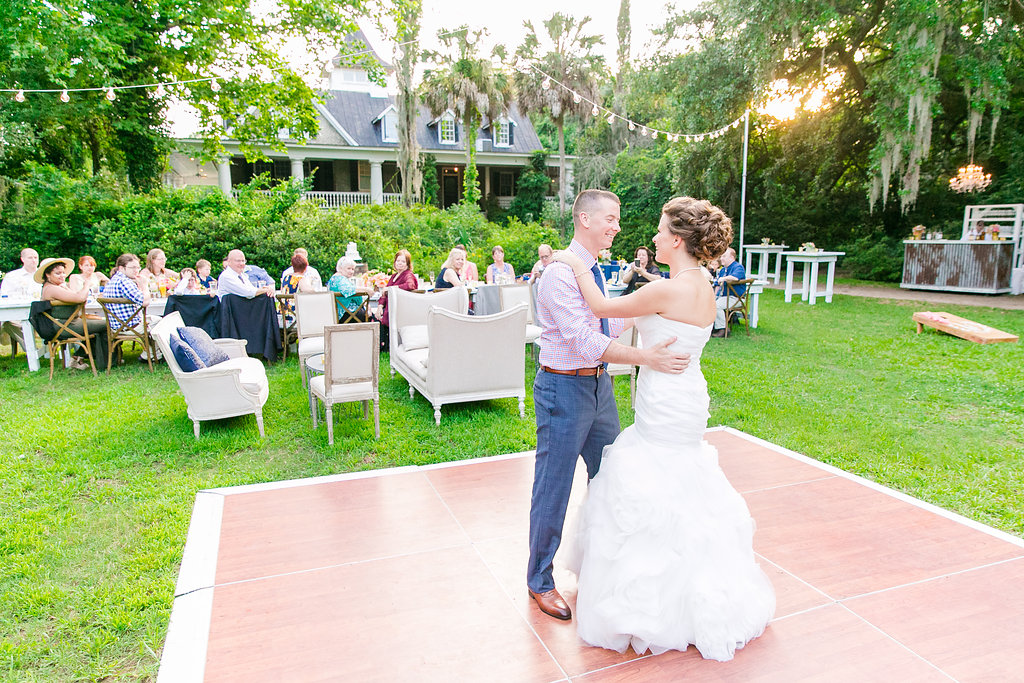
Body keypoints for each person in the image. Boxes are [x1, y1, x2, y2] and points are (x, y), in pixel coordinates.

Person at [551, 196, 775, 661]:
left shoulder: (664, 291)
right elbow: (657, 310)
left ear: (676, 240)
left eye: (658, 230)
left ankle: (654, 594)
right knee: (685, 477)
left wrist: (568, 261)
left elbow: (598, 303)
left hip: (664, 395)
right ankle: (696, 582)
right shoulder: (704, 285)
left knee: (651, 476)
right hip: (688, 394)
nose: (652, 237)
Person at [526, 189, 692, 625]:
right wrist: (647, 358)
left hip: (599, 391)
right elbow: (585, 341)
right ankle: (540, 580)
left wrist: (653, 309)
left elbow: (608, 320)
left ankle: (604, 566)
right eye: (611, 219)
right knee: (554, 486)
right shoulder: (560, 273)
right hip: (562, 391)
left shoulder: (594, 269)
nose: (617, 227)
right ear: (584, 218)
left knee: (611, 478)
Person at [37, 257, 108, 369]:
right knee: (107, 325)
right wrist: (86, 285)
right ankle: (106, 363)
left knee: (98, 321)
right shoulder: (52, 289)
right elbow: (80, 298)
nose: (62, 276)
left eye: (63, 273)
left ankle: (79, 357)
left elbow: (75, 296)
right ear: (48, 275)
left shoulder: (56, 287)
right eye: (58, 273)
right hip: (64, 326)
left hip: (67, 323)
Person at [375, 249, 418, 350]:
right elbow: (384, 293)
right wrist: (380, 306)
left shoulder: (408, 275)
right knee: (375, 316)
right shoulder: (394, 276)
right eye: (398, 261)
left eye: (403, 261)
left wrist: (392, 289)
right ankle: (382, 344)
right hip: (389, 307)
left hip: (400, 308)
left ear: (407, 264)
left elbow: (410, 285)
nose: (400, 263)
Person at [1, 247, 41, 353]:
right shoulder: (12, 276)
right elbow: (4, 297)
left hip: (39, 313)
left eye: (36, 257)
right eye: (30, 257)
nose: (33, 260)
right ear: (22, 259)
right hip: (16, 313)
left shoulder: (43, 275)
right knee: (7, 322)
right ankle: (31, 350)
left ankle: (32, 351)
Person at [711, 247, 746, 338]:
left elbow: (735, 278)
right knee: (709, 303)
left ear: (731, 257)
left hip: (735, 298)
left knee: (716, 305)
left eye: (724, 256)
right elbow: (717, 285)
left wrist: (724, 278)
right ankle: (711, 327)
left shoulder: (738, 267)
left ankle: (723, 329)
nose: (721, 258)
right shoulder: (723, 270)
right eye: (721, 256)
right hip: (723, 297)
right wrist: (713, 297)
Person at [327, 256, 372, 321]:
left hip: (342, 314)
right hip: (347, 315)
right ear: (340, 268)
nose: (351, 271)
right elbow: (349, 290)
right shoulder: (339, 279)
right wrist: (366, 290)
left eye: (353, 269)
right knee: (375, 318)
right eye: (348, 268)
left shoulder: (335, 278)